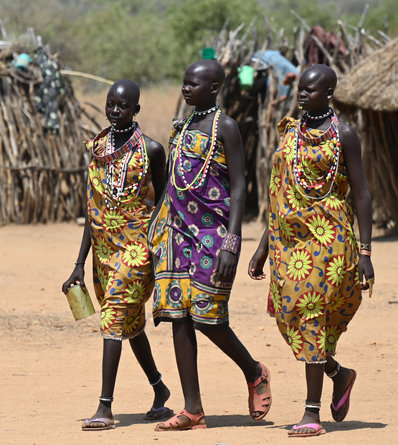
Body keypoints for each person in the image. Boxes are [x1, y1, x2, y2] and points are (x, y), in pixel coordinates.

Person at [248, 64, 375, 438]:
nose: (302, 95)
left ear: (329, 93)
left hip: (328, 243)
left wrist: (365, 252)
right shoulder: (290, 133)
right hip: (288, 246)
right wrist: (263, 248)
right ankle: (339, 374)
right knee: (289, 321)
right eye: (300, 89)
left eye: (310, 90)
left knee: (312, 319)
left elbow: (363, 194)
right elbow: (277, 195)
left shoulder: (344, 136)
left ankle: (311, 412)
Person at [148, 59, 272, 431]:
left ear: (214, 88)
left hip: (214, 235)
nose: (186, 89)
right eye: (184, 83)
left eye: (193, 84)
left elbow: (238, 188)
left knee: (208, 316)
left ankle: (254, 371)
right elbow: (173, 180)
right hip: (174, 232)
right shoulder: (180, 126)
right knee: (177, 315)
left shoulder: (227, 128)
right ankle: (192, 409)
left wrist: (233, 242)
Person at [61, 79, 172, 431]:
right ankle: (160, 388)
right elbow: (92, 212)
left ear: (136, 110)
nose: (114, 110)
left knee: (113, 320)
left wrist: (157, 246)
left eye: (122, 105)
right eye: (110, 103)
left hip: (138, 251)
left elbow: (166, 203)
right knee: (130, 324)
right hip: (104, 251)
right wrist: (79, 263)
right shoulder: (97, 148)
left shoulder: (152, 150)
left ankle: (104, 407)